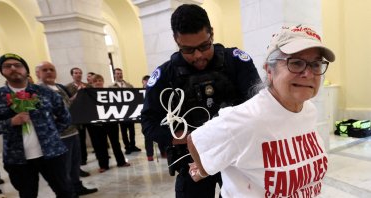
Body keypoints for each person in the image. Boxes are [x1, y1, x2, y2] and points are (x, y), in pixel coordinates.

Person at [187, 24, 335, 197]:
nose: (308, 74)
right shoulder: (248, 118)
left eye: (316, 65)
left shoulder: (309, 109)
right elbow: (196, 141)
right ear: (269, 70)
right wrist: (204, 169)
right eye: (296, 63)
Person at [141, 4, 261, 198]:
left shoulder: (236, 62)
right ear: (176, 41)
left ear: (211, 34)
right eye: (187, 50)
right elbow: (148, 123)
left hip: (237, 158)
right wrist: (188, 138)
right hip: (191, 160)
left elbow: (259, 106)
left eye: (204, 46)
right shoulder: (165, 75)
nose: (198, 56)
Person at [0, 53, 75, 197]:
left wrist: (52, 134)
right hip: (17, 159)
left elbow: (65, 118)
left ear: (26, 70)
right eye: (7, 66)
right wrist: (10, 122)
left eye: (18, 65)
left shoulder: (46, 93)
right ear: (2, 71)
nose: (13, 68)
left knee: (66, 191)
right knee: (27, 194)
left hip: (52, 154)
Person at [38, 61, 98, 196]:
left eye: (51, 69)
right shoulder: (38, 90)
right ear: (38, 73)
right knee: (64, 167)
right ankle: (68, 191)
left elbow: (68, 103)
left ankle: (77, 186)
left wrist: (77, 96)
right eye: (45, 70)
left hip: (73, 130)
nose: (49, 72)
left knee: (75, 163)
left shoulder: (59, 87)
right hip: (59, 135)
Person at [87, 74, 130, 172]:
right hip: (97, 124)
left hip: (111, 123)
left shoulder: (110, 93)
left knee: (115, 143)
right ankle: (103, 165)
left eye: (100, 80)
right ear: (92, 83)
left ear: (102, 82)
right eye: (95, 81)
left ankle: (121, 162)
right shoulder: (88, 94)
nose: (98, 82)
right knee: (100, 145)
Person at [66, 67, 92, 174]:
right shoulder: (67, 87)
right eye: (76, 73)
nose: (78, 75)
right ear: (72, 75)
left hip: (89, 115)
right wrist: (78, 93)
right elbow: (68, 101)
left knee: (93, 136)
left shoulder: (88, 85)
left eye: (80, 73)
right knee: (80, 139)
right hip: (77, 116)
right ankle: (83, 159)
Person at [110, 68, 141, 154]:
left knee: (132, 130)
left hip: (130, 111)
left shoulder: (129, 85)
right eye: (118, 73)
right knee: (124, 131)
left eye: (121, 73)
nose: (120, 75)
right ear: (114, 75)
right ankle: (127, 146)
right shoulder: (111, 87)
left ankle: (133, 145)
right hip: (120, 112)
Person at [141, 75, 167, 161]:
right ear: (143, 82)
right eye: (146, 81)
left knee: (160, 131)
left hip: (156, 115)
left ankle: (163, 151)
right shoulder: (138, 92)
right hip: (145, 116)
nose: (147, 82)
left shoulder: (155, 90)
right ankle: (149, 154)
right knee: (148, 135)